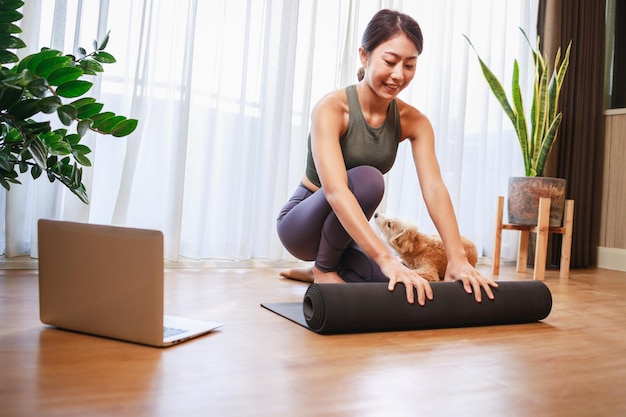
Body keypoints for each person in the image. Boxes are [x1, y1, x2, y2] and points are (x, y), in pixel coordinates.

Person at [276, 9, 497, 305]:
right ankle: (324, 268)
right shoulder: (332, 109)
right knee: (368, 180)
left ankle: (323, 267)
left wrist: (457, 259)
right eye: (390, 61)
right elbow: (336, 191)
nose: (398, 75)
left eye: (409, 65)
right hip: (301, 224)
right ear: (364, 56)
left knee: (401, 285)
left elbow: (434, 188)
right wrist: (384, 257)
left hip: (342, 234)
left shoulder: (414, 121)